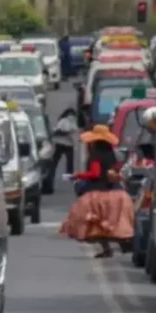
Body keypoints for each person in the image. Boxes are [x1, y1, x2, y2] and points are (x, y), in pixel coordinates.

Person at [60, 125, 135, 258]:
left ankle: (107, 248)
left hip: (97, 193)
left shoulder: (95, 155)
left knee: (96, 223)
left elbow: (95, 173)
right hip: (116, 192)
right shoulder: (111, 153)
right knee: (112, 221)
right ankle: (123, 243)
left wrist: (78, 175)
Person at [51, 108, 78, 175]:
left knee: (55, 160)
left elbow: (57, 131)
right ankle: (69, 175)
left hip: (60, 143)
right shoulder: (74, 121)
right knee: (70, 162)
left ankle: (51, 172)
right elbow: (74, 133)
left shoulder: (62, 120)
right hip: (69, 144)